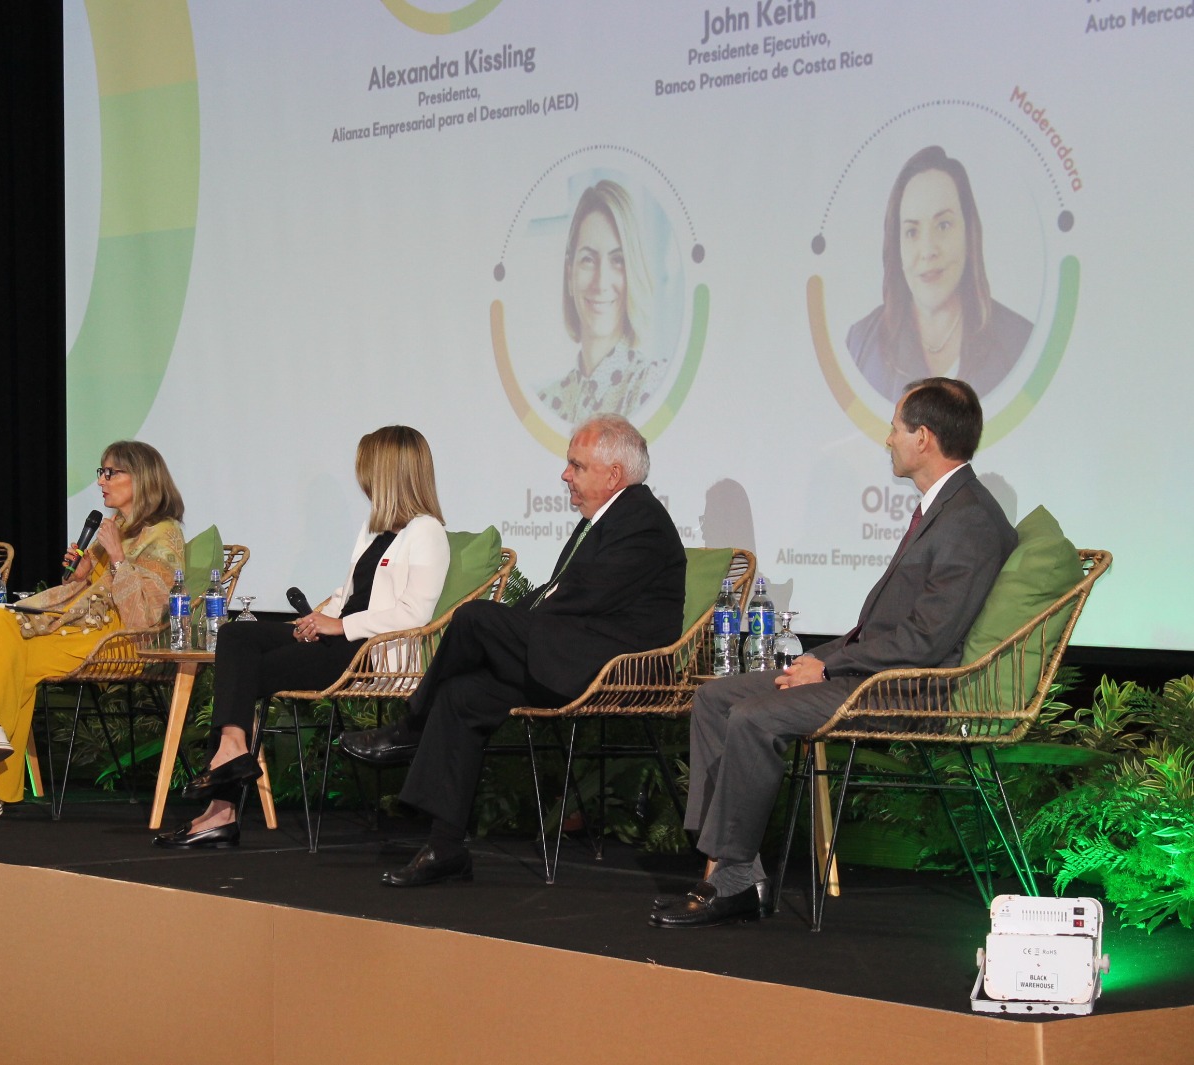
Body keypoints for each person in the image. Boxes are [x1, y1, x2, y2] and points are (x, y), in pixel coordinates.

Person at [653, 378, 1016, 928]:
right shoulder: (946, 508)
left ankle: (728, 881)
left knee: (753, 716)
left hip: (906, 687)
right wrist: (821, 659)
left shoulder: (970, 518)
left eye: (895, 429)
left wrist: (829, 665)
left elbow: (927, 641)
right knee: (715, 699)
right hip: (867, 670)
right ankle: (734, 869)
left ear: (923, 437)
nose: (887, 439)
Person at [341, 414, 687, 886]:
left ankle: (412, 727)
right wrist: (515, 623)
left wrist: (509, 626)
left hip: (613, 663)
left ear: (613, 475)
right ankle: (445, 847)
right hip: (572, 651)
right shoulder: (606, 518)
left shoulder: (641, 520)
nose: (565, 475)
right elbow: (558, 593)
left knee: (474, 618)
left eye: (577, 466)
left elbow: (585, 598)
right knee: (462, 695)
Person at [154, 425, 450, 848]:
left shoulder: (427, 532)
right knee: (237, 637)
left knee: (245, 675)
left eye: (367, 468)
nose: (361, 477)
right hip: (339, 638)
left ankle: (220, 811)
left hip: (368, 653)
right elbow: (348, 594)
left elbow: (413, 614)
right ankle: (232, 749)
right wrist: (318, 619)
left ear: (389, 471)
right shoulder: (374, 529)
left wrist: (340, 626)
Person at [0, 441, 185, 819]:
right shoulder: (116, 527)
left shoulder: (164, 535)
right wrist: (81, 576)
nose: (101, 481)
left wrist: (115, 556)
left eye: (110, 473)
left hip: (117, 641)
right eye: (101, 472)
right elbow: (93, 593)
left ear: (141, 477)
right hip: (81, 629)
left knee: (7, 656)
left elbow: (143, 618)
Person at [847, 146, 1033, 402]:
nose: (928, 251)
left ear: (968, 233)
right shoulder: (859, 346)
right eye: (912, 232)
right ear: (896, 245)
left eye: (943, 225)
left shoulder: (1020, 342)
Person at [538, 180, 665, 423]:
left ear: (633, 273)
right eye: (588, 259)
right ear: (569, 274)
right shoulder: (545, 401)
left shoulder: (652, 384)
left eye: (618, 260)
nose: (601, 282)